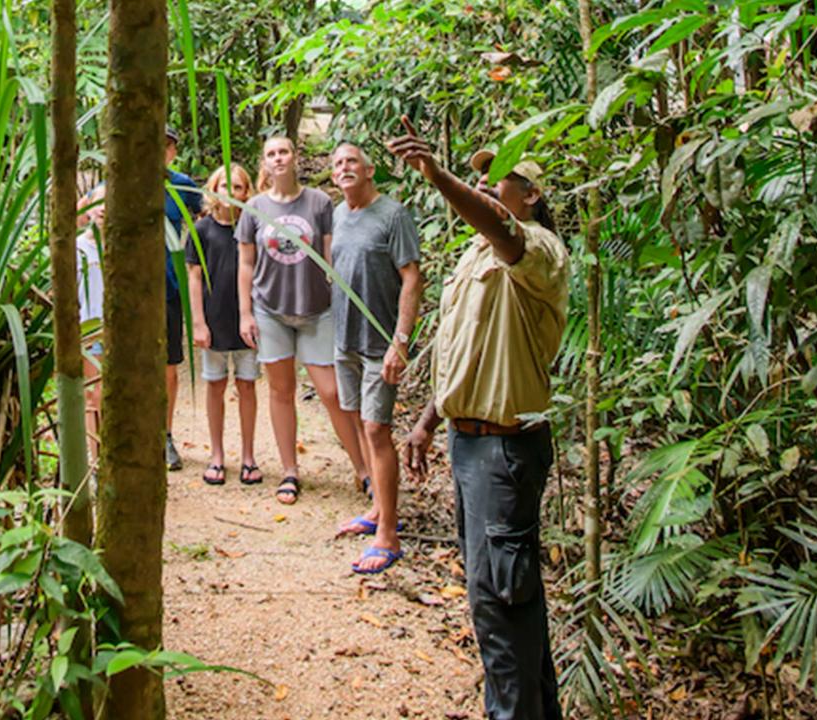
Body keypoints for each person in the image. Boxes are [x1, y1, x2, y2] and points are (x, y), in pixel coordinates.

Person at [388, 123, 568, 720]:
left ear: (531, 195)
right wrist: (427, 420)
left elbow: (501, 230)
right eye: (483, 175)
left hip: (505, 452)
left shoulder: (538, 249)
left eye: (502, 177)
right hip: (468, 445)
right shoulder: (473, 256)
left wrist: (437, 175)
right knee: (502, 601)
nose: (488, 184)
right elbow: (462, 347)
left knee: (501, 602)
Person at [236, 136, 370, 505]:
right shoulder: (253, 207)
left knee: (332, 392)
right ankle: (289, 471)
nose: (278, 158)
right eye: (271, 154)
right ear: (264, 163)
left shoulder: (319, 202)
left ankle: (363, 469)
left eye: (284, 152)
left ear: (295, 157)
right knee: (281, 391)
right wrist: (245, 313)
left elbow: (331, 255)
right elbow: (245, 264)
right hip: (270, 310)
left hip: (316, 309)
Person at [325, 143, 424, 575]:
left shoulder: (393, 215)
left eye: (352, 161)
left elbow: (412, 278)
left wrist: (400, 341)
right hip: (344, 338)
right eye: (337, 164)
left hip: (379, 342)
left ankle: (388, 534)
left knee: (376, 428)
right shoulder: (337, 214)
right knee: (358, 420)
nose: (344, 167)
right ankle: (378, 510)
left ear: (369, 171)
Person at [187, 164, 263, 486]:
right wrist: (198, 322)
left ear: (247, 193)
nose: (231, 193)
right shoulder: (202, 229)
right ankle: (216, 454)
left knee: (247, 386)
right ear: (213, 190)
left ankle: (248, 456)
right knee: (215, 385)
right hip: (214, 320)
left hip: (246, 321)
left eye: (239, 187)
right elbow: (194, 277)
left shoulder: (252, 227)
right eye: (224, 186)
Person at [163, 126, 203, 471]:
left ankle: (165, 435)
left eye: (166, 145)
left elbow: (212, 214)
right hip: (126, 290)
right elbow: (85, 212)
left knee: (168, 364)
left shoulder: (182, 184)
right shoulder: (119, 181)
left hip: (168, 287)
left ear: (173, 151)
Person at [76, 184, 106, 460]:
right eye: (99, 202)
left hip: (119, 332)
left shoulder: (126, 248)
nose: (104, 208)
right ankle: (96, 461)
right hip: (89, 331)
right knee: (93, 395)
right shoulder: (78, 248)